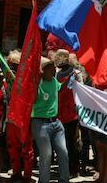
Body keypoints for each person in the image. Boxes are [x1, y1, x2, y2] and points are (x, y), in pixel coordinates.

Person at [31, 57, 69, 183]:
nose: (54, 69)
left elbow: (60, 87)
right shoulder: (38, 83)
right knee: (46, 154)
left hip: (56, 123)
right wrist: (36, 81)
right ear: (44, 70)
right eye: (52, 67)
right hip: (40, 123)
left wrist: (69, 79)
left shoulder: (54, 81)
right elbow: (34, 100)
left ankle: (64, 179)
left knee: (63, 151)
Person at [5, 49, 34, 183]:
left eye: (14, 65)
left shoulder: (27, 79)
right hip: (12, 116)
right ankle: (16, 172)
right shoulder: (7, 79)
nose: (12, 68)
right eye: (11, 64)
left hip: (23, 116)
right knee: (12, 147)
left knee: (26, 148)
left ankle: (27, 175)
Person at [55, 49, 81, 178]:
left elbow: (75, 89)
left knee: (71, 142)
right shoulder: (57, 74)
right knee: (62, 144)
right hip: (60, 112)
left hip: (72, 112)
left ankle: (74, 168)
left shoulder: (75, 73)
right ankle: (65, 167)